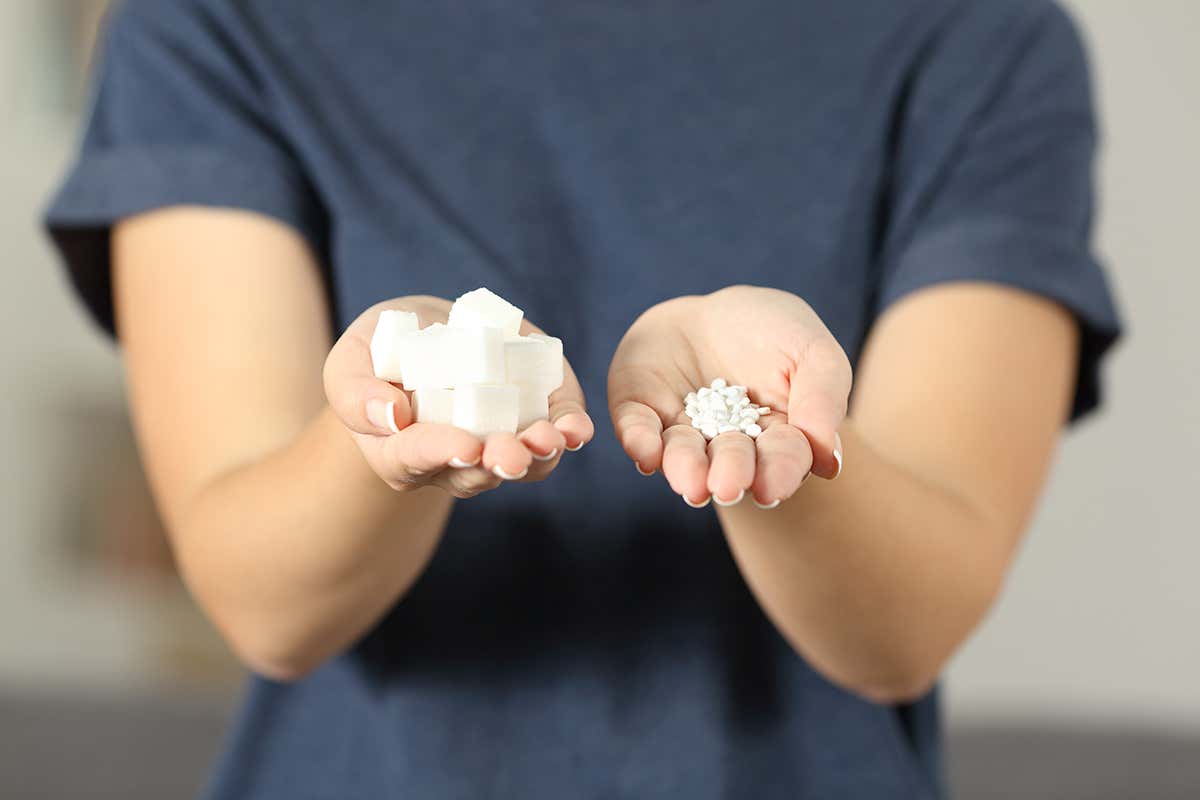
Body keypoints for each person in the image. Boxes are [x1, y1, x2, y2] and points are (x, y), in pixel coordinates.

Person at [45, 0, 1121, 797]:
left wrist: (766, 441)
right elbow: (264, 604)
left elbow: (909, 622)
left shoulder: (985, 41)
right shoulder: (218, 24)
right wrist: (381, 433)